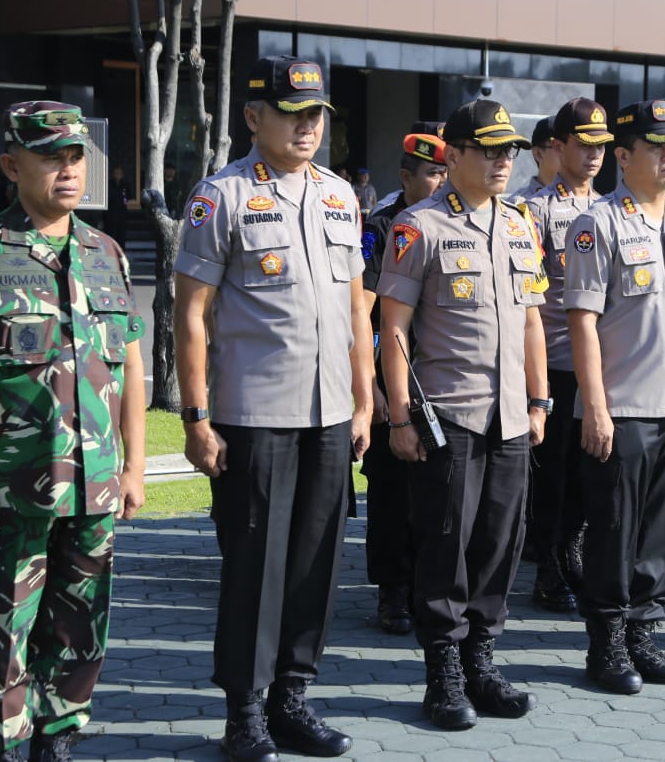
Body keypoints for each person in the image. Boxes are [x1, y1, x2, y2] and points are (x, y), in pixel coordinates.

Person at [0, 101, 146, 762]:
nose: (66, 168)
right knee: (1, 638)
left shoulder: (106, 253)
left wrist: (134, 468)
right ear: (11, 164)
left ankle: (57, 742)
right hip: (7, 492)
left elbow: (131, 367)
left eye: (75, 155)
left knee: (79, 633)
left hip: (93, 491)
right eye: (50, 155)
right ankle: (0, 747)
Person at [174, 55, 373, 761]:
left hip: (328, 414)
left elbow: (355, 308)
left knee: (318, 565)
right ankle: (245, 712)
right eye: (293, 114)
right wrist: (195, 417)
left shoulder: (341, 196)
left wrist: (364, 401)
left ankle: (293, 696)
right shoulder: (220, 196)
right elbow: (189, 314)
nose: (307, 127)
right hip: (253, 416)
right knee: (254, 566)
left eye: (316, 114)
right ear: (255, 117)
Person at [377, 99, 548, 730]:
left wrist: (539, 400)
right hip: (449, 415)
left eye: (511, 151)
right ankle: (442, 672)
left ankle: (482, 661)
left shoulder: (521, 225)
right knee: (445, 545)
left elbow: (532, 319)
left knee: (500, 544)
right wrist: (398, 417)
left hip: (511, 418)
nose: (505, 160)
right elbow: (392, 326)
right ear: (454, 155)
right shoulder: (418, 227)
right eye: (492, 149)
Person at [564, 98, 665, 694]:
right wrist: (596, 406)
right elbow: (582, 321)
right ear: (623, 155)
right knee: (615, 528)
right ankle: (605, 643)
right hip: (625, 406)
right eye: (656, 147)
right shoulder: (596, 225)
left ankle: (644, 633)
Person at [520, 97, 613, 613]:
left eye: (601, 145)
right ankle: (550, 570)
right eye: (584, 144)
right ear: (557, 146)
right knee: (553, 477)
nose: (594, 155)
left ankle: (573, 555)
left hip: (595, 364)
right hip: (553, 361)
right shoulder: (532, 211)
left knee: (588, 472)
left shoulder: (606, 209)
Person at [359, 131, 450, 634]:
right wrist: (370, 389)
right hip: (391, 372)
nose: (440, 182)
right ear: (406, 178)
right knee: (392, 491)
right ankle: (392, 592)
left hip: (440, 376)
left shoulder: (454, 220)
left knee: (435, 492)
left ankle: (426, 587)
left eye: (445, 171)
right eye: (432, 173)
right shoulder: (382, 225)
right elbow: (368, 311)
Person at [507, 117, 561, 203]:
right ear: (538, 154)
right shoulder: (519, 205)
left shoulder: (586, 200)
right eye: (559, 147)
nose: (569, 154)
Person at [105, 163, 132, 248]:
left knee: (121, 237)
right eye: (116, 173)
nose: (117, 175)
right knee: (109, 236)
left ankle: (121, 254)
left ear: (122, 175)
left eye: (119, 173)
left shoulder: (125, 185)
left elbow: (129, 197)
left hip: (121, 215)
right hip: (110, 214)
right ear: (112, 174)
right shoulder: (108, 184)